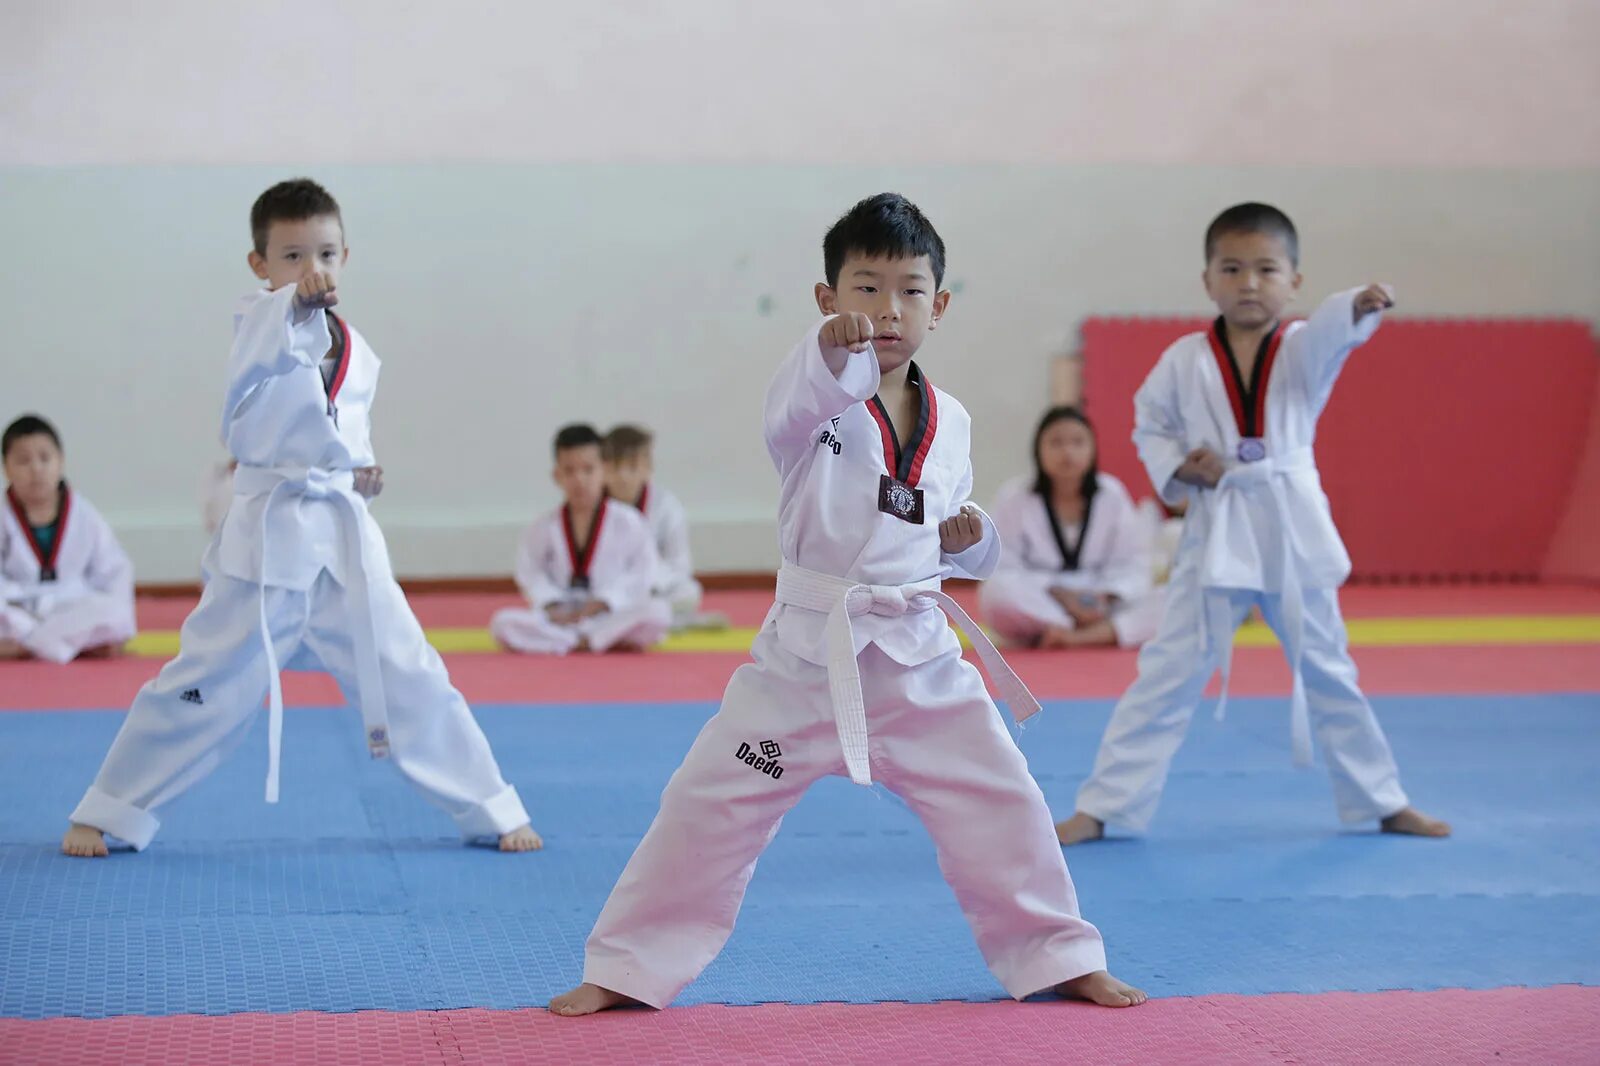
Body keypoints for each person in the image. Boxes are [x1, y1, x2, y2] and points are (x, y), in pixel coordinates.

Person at [550, 193, 1143, 1017]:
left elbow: (946, 535)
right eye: (864, 288)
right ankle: (626, 968)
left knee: (1003, 798)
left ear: (939, 305)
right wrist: (829, 356)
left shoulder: (955, 421)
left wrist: (970, 541)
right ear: (828, 299)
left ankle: (1057, 953)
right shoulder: (810, 402)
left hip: (919, 660)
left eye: (908, 290)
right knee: (708, 802)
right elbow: (808, 390)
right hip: (803, 662)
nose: (886, 310)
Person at [61, 178, 540, 858]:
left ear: (347, 256)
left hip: (344, 540)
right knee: (204, 686)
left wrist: (361, 474)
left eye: (325, 254)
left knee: (410, 670)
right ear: (259, 265)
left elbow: (342, 435)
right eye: (291, 257)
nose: (311, 270)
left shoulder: (359, 349)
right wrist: (291, 309)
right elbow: (255, 381)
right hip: (268, 547)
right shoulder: (257, 324)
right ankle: (108, 809)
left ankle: (490, 806)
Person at [1055, 203, 1451, 846]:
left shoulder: (1302, 349)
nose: (1247, 282)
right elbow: (1149, 424)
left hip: (1289, 525)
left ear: (1294, 282)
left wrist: (1358, 305)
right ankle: (1105, 806)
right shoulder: (1183, 359)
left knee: (1328, 667)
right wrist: (1182, 467)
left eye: (1266, 269)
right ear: (1206, 279)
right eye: (1231, 268)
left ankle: (1382, 800)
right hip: (1217, 528)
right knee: (1169, 670)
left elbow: (1333, 332)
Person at [980, 406, 1164, 649]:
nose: (1067, 452)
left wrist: (1106, 597)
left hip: (1101, 600)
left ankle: (1076, 636)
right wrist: (1062, 596)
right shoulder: (1015, 497)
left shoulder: (1112, 495)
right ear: (1038, 449)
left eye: (1078, 442)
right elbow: (1002, 565)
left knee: (1175, 598)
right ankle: (1086, 629)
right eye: (1056, 443)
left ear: (1092, 449)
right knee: (996, 593)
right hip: (1045, 597)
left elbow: (1134, 562)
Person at [490, 424, 671, 655]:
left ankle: (578, 640)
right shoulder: (543, 526)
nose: (579, 480)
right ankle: (587, 640)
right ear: (557, 476)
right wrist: (552, 605)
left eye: (588, 470)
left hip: (608, 614)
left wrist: (605, 602)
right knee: (502, 623)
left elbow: (643, 572)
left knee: (658, 613)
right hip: (561, 617)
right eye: (570, 471)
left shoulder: (630, 522)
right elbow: (530, 572)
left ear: (604, 471)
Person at [0, 414, 136, 662]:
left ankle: (30, 646)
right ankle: (71, 645)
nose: (36, 469)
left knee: (111, 613)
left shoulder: (84, 515)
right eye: (23, 461)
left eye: (45, 458)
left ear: (60, 461)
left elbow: (114, 569)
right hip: (20, 609)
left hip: (70, 606)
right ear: (5, 468)